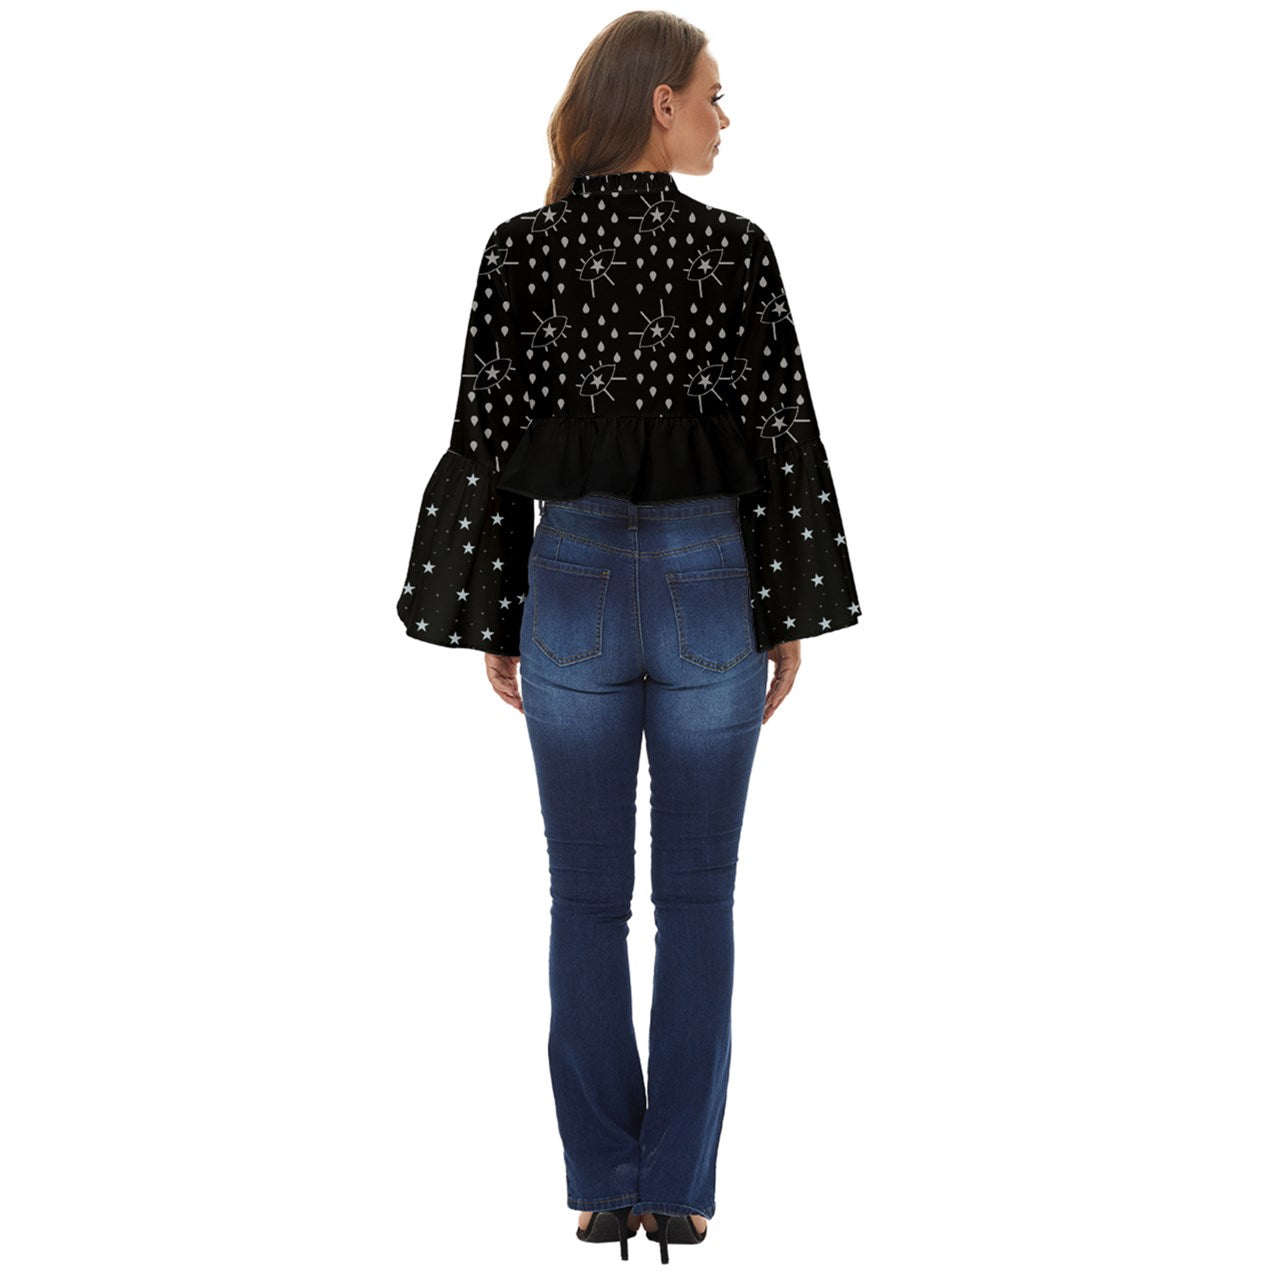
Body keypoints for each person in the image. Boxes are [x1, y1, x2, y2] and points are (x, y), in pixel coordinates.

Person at [396, 11, 862, 1263]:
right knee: (698, 897)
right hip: (712, 582)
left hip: (571, 582)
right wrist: (785, 611)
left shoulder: (520, 248)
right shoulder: (736, 250)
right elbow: (782, 434)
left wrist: (495, 610)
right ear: (659, 102)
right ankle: (682, 1188)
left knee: (584, 898)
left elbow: (486, 435)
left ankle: (604, 1183)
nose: (722, 116)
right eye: (712, 94)